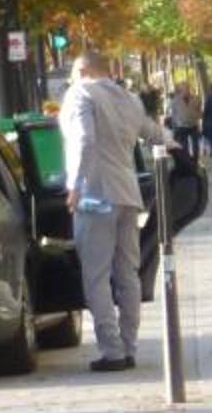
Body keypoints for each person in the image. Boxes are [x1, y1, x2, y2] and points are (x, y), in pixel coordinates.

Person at [60, 50, 166, 373]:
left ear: (82, 70)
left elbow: (84, 140)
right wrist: (176, 148)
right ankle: (129, 346)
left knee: (96, 276)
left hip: (95, 195)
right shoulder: (129, 99)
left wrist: (75, 186)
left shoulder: (81, 94)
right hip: (127, 194)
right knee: (127, 274)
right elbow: (153, 133)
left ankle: (112, 350)